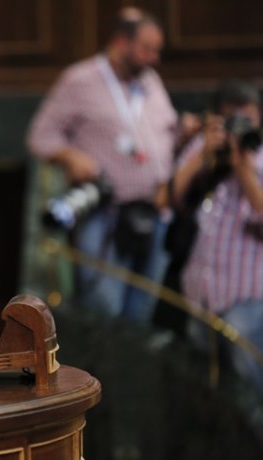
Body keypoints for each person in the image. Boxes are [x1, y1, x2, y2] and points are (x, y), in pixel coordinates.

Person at [26, 7, 184, 324]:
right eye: (147, 48)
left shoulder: (150, 81)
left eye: (157, 50)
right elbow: (40, 136)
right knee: (104, 312)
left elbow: (165, 133)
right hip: (107, 216)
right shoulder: (79, 80)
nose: (154, 58)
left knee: (140, 316)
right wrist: (71, 156)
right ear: (121, 42)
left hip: (155, 212)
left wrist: (185, 131)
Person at [171, 79, 263, 391]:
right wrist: (202, 152)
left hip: (247, 296)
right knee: (204, 382)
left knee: (245, 373)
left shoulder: (259, 158)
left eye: (247, 119)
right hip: (200, 295)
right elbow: (169, 199)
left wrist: (244, 169)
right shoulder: (206, 149)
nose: (239, 127)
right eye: (231, 119)